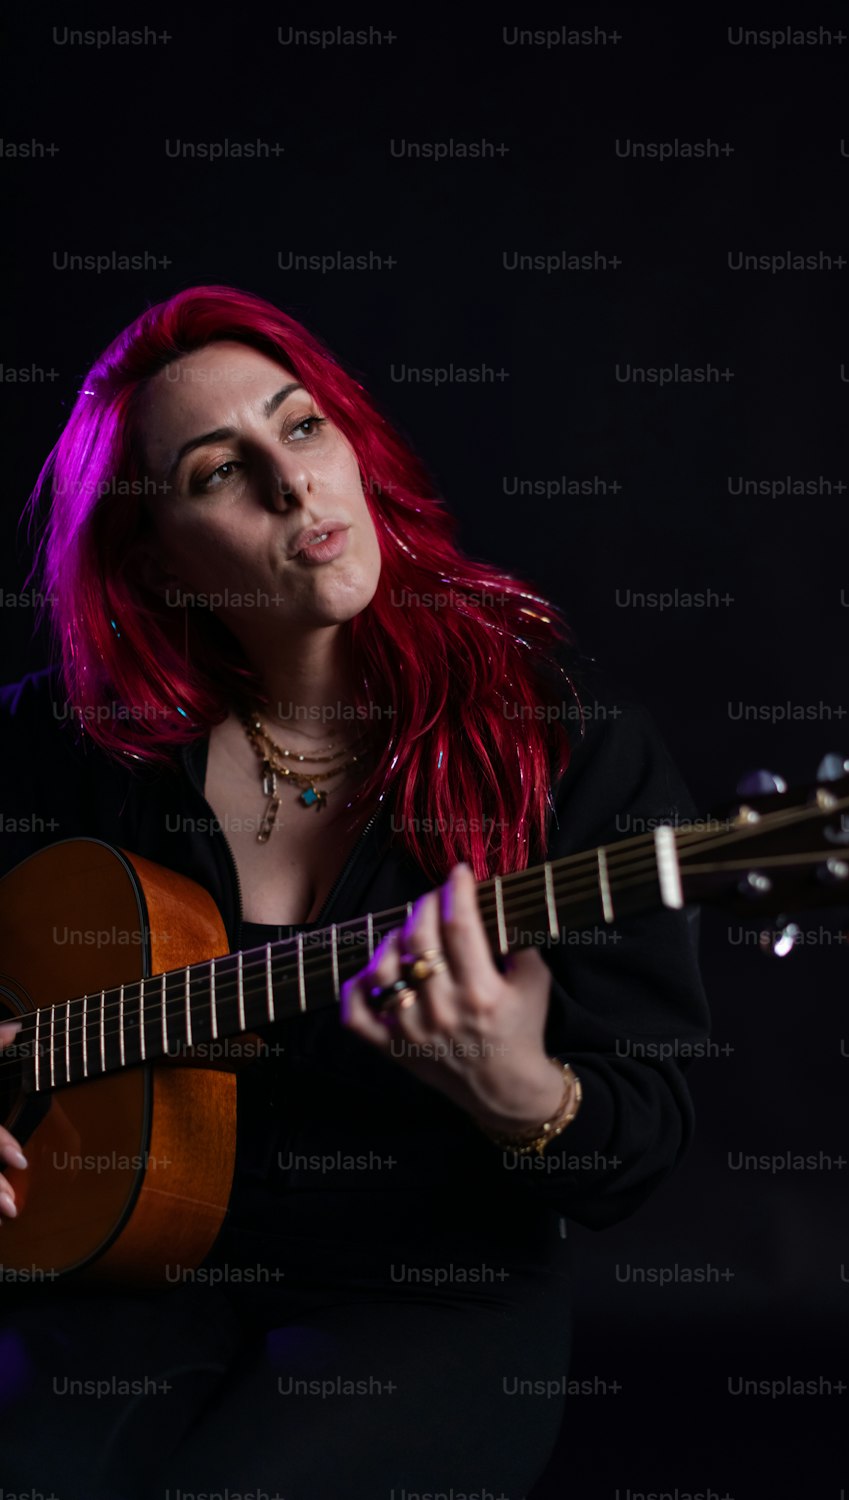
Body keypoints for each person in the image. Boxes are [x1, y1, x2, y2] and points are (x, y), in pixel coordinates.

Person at [0, 285, 710, 1498]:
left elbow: (642, 1138)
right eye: (221, 472)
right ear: (151, 559)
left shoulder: (564, 743)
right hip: (120, 1272)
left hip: (422, 1293)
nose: (292, 487)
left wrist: (521, 1091)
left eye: (304, 427)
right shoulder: (76, 744)